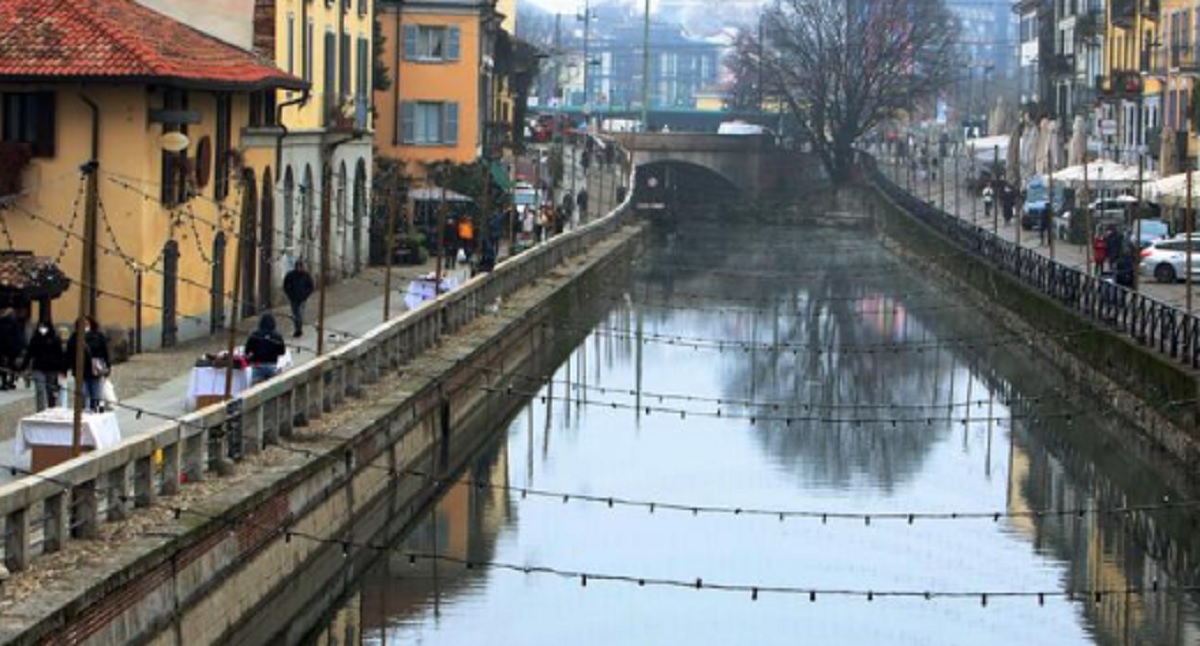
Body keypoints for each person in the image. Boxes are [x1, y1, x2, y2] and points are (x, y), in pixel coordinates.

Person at [65, 317, 109, 412]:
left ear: (90, 324)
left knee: (96, 395)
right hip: (80, 371)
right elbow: (69, 354)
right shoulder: (74, 338)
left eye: (86, 324)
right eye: (82, 324)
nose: (84, 326)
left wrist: (107, 366)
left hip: (95, 370)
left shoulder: (98, 336)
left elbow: (105, 352)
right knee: (82, 395)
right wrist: (66, 367)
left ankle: (96, 412)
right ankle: (82, 414)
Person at [22, 320, 65, 411]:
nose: (42, 329)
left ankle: (51, 409)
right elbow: (30, 353)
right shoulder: (35, 339)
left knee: (51, 391)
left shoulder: (55, 339)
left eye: (44, 327)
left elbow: (60, 355)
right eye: (40, 327)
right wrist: (23, 367)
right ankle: (40, 411)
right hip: (38, 368)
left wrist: (62, 369)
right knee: (40, 390)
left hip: (52, 369)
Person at [244, 314, 286, 385]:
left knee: (255, 388)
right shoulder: (277, 336)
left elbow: (247, 351)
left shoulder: (255, 335)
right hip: (271, 365)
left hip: (258, 366)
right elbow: (282, 352)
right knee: (273, 387)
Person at [283, 260, 315, 338]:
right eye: (297, 267)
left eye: (300, 267)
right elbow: (285, 285)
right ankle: (297, 329)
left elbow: (311, 286)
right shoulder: (290, 275)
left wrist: (306, 294)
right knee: (295, 314)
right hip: (293, 298)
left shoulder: (306, 275)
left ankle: (298, 330)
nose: (298, 268)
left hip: (302, 299)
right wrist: (289, 294)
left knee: (299, 314)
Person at [0, 307, 23, 390]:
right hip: (14, 347)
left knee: (3, 365)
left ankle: (5, 382)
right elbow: (19, 337)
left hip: (3, 347)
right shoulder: (16, 323)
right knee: (11, 364)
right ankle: (11, 381)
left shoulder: (2, 322)